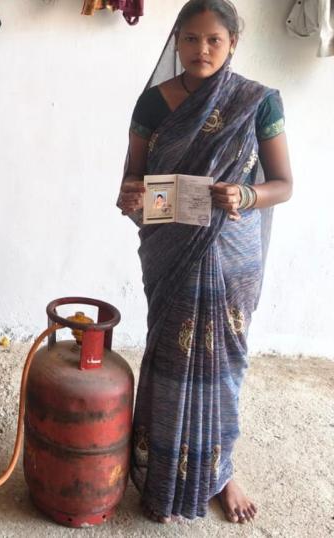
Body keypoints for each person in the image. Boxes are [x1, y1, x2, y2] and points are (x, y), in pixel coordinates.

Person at [116, 0, 293, 525]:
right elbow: (132, 180)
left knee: (224, 367)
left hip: (232, 252)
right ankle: (164, 475)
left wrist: (245, 195)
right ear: (176, 42)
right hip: (171, 251)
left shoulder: (258, 103)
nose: (201, 49)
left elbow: (283, 184)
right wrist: (130, 197)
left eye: (214, 39)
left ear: (233, 42)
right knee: (170, 360)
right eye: (191, 39)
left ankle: (223, 471)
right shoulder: (153, 104)